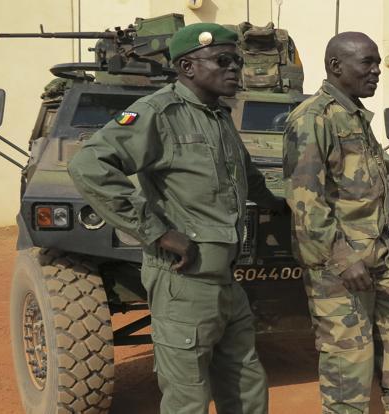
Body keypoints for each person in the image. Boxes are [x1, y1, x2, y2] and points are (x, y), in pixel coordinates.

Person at [68, 23, 284, 414]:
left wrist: (282, 204)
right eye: (222, 60)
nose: (235, 69)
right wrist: (157, 231)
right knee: (188, 399)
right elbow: (88, 164)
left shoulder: (218, 117)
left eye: (236, 60)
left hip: (225, 282)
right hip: (183, 284)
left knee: (247, 387)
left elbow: (248, 178)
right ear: (187, 66)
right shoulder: (159, 112)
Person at [282, 31, 389, 414]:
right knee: (349, 355)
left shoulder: (356, 115)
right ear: (335, 66)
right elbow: (305, 200)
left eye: (377, 62)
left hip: (378, 251)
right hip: (340, 262)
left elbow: (356, 174)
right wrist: (344, 258)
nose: (377, 70)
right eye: (368, 62)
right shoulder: (313, 118)